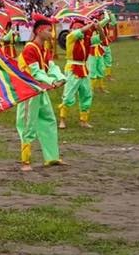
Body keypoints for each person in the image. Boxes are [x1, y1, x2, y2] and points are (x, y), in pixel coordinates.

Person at [17, 16, 67, 171]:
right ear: (39, 31)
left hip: (40, 90)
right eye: (48, 30)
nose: (51, 33)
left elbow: (50, 67)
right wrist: (51, 82)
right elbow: (35, 72)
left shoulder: (44, 49)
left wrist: (60, 78)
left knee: (49, 120)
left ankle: (52, 157)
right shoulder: (30, 48)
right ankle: (25, 161)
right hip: (29, 92)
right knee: (27, 125)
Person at [57, 18, 97, 129]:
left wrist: (98, 26)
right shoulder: (70, 37)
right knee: (69, 94)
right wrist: (90, 24)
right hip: (72, 68)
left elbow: (102, 39)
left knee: (87, 94)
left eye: (79, 28)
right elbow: (80, 31)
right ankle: (62, 119)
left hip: (83, 68)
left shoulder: (86, 40)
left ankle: (83, 120)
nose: (78, 30)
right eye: (75, 28)